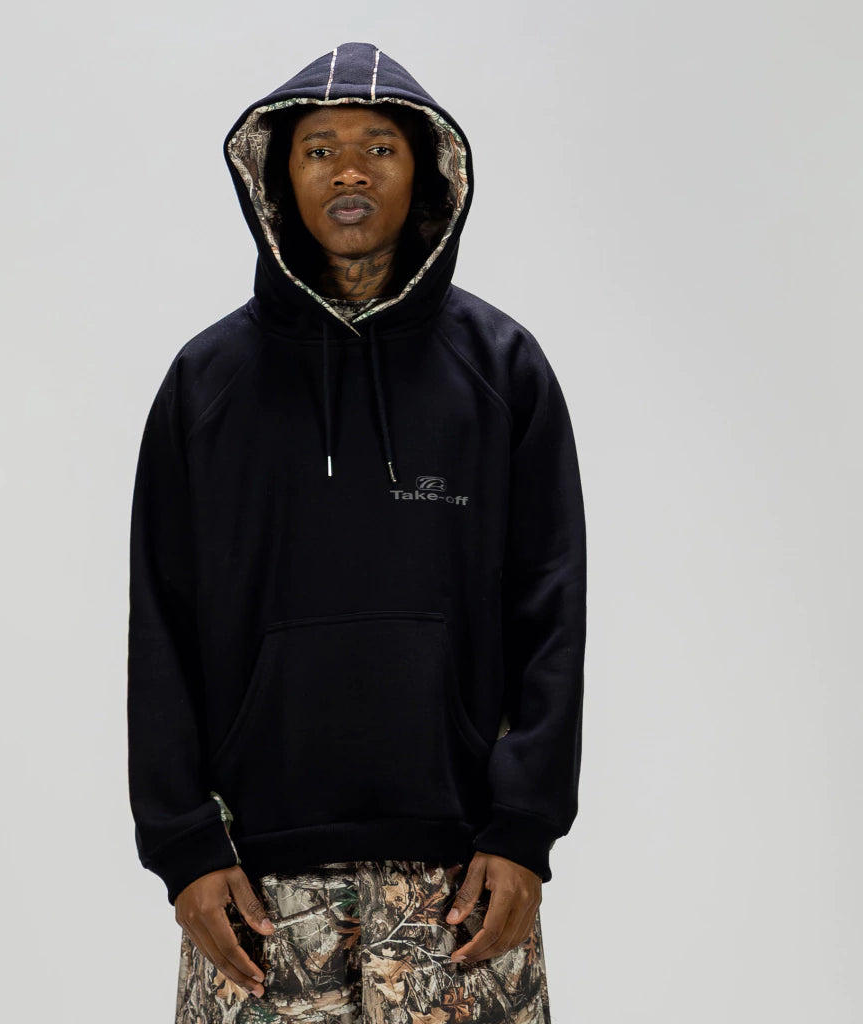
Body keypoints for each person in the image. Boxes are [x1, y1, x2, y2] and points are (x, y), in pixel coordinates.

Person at [127, 41, 587, 1023]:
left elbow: (551, 610)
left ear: (426, 173)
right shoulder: (206, 384)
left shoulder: (503, 370)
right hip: (255, 889)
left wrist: (523, 826)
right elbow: (160, 622)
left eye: (379, 147)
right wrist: (184, 846)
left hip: (462, 882)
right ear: (276, 176)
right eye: (319, 149)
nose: (349, 172)